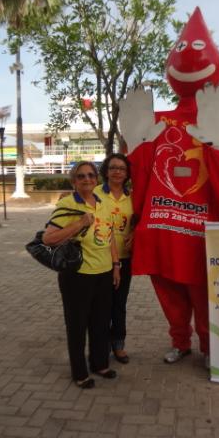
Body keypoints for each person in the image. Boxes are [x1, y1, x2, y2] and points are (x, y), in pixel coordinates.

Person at [120, 7, 219, 367]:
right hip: (161, 228)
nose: (189, 56)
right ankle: (180, 341)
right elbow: (140, 172)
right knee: (168, 294)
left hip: (201, 233)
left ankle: (209, 347)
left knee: (204, 295)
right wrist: (135, 144)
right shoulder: (156, 120)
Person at [42, 161, 121, 389]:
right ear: (74, 181)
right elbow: (49, 238)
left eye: (90, 175)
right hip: (78, 276)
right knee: (77, 325)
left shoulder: (104, 203)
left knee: (100, 322)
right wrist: (79, 223)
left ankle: (100, 364)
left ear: (96, 179)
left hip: (104, 273)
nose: (86, 179)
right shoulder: (68, 204)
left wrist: (116, 265)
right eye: (81, 176)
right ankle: (80, 372)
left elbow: (110, 236)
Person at [95, 154, 134, 364]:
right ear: (106, 171)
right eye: (113, 168)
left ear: (127, 174)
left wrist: (135, 232)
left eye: (122, 168)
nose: (117, 172)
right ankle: (99, 347)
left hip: (125, 259)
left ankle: (118, 344)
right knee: (101, 305)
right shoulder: (95, 194)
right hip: (100, 258)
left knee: (119, 304)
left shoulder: (134, 197)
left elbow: (141, 220)